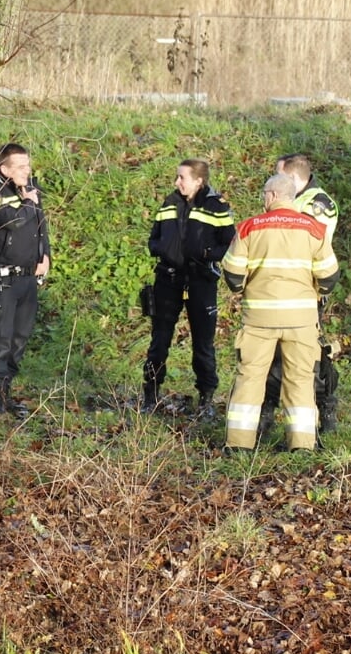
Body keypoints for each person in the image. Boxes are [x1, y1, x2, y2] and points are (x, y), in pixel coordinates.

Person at [221, 173, 340, 451]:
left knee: (250, 378)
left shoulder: (250, 227)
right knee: (299, 379)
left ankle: (239, 444)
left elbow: (233, 274)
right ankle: (302, 445)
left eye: (265, 194)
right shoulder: (313, 229)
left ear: (272, 195)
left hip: (259, 320)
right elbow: (329, 276)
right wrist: (313, 292)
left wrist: (247, 288)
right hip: (301, 321)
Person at [141, 159, 236, 417]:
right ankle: (150, 394)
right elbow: (153, 239)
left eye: (182, 177)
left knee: (203, 344)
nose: (177, 182)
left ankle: (206, 399)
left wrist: (205, 254)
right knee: (159, 340)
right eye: (177, 177)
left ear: (198, 180)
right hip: (168, 280)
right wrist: (163, 250)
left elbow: (230, 244)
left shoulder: (216, 206)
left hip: (200, 281)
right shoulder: (170, 202)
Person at [262, 153, 341, 432]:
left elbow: (298, 241)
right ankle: (266, 411)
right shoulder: (294, 200)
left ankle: (325, 409)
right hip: (278, 290)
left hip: (306, 291)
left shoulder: (318, 204)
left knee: (310, 356)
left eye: (280, 177)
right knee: (270, 354)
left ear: (293, 178)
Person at [0, 143, 51, 414]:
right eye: (20, 167)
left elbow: (40, 227)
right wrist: (29, 201)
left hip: (27, 279)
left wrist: (46, 256)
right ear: (3, 168)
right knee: (0, 339)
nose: (26, 171)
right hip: (1, 281)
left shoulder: (29, 190)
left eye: (28, 165)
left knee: (19, 339)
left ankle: (6, 392)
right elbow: (13, 221)